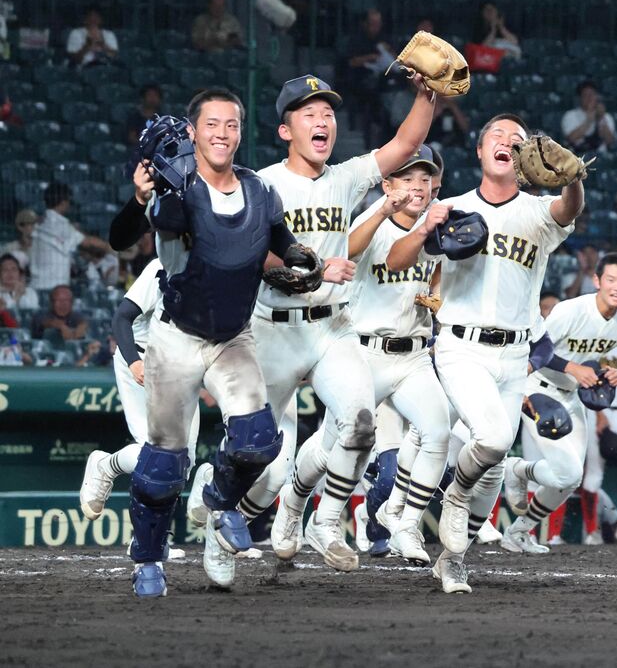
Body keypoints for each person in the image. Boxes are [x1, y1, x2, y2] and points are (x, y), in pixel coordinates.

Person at [231, 71, 433, 576]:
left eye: (328, 113)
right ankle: (223, 525)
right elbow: (251, 261)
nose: (323, 120)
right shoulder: (262, 184)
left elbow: (408, 142)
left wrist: (427, 93)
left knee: (361, 425)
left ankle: (326, 522)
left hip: (331, 328)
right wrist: (316, 269)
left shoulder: (345, 178)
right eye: (309, 113)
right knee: (258, 456)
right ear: (285, 130)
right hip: (274, 330)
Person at [385, 112, 584, 593]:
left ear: (526, 158)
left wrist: (574, 177)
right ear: (479, 151)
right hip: (461, 346)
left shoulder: (536, 211)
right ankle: (447, 498)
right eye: (496, 135)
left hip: (516, 357)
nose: (506, 142)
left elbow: (569, 210)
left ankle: (453, 559)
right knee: (492, 440)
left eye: (517, 139)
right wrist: (422, 228)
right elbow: (395, 260)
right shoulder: (448, 207)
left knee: (493, 468)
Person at [122, 90, 295, 597]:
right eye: (213, 124)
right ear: (194, 132)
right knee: (162, 464)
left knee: (259, 440)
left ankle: (219, 502)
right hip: (175, 337)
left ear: (241, 132)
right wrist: (142, 196)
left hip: (232, 337)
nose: (223, 133)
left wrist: (298, 254)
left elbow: (278, 236)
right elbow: (132, 233)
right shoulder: (173, 190)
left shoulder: (259, 190)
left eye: (233, 124)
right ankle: (148, 560)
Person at [344, 146, 451, 563]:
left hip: (413, 356)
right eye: (407, 178)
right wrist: (379, 212)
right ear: (387, 185)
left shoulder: (437, 224)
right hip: (366, 353)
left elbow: (437, 268)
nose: (418, 187)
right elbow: (347, 249)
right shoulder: (375, 222)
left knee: (436, 434)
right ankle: (303, 509)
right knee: (339, 446)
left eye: (425, 179)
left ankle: (404, 526)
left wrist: (437, 295)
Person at [501, 254, 617, 554]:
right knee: (567, 472)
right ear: (597, 281)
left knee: (571, 478)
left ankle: (518, 531)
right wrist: (572, 368)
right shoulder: (571, 310)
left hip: (571, 396)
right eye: (611, 280)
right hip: (538, 388)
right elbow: (536, 350)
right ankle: (516, 470)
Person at [78, 258, 201, 556]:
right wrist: (134, 361)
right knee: (157, 456)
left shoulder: (218, 268)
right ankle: (105, 468)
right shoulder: (162, 265)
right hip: (141, 357)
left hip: (182, 367)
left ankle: (152, 538)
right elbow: (121, 318)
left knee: (183, 464)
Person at [30, 183, 110, 292]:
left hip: (36, 286)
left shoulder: (40, 223)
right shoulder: (59, 224)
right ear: (63, 202)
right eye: (69, 201)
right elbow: (88, 242)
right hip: (53, 289)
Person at [339, 8, 394, 148]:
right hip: (360, 78)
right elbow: (351, 62)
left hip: (383, 78)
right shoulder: (356, 39)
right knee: (371, 92)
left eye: (378, 23)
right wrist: (370, 57)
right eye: (373, 23)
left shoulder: (384, 38)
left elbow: (397, 60)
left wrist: (388, 51)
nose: (376, 27)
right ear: (365, 24)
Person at [561, 80, 617, 152]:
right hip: (577, 156)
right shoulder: (570, 115)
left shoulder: (606, 116)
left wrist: (601, 118)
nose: (589, 98)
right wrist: (589, 120)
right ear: (580, 98)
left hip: (599, 157)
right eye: (585, 95)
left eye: (592, 95)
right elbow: (571, 138)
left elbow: (609, 141)